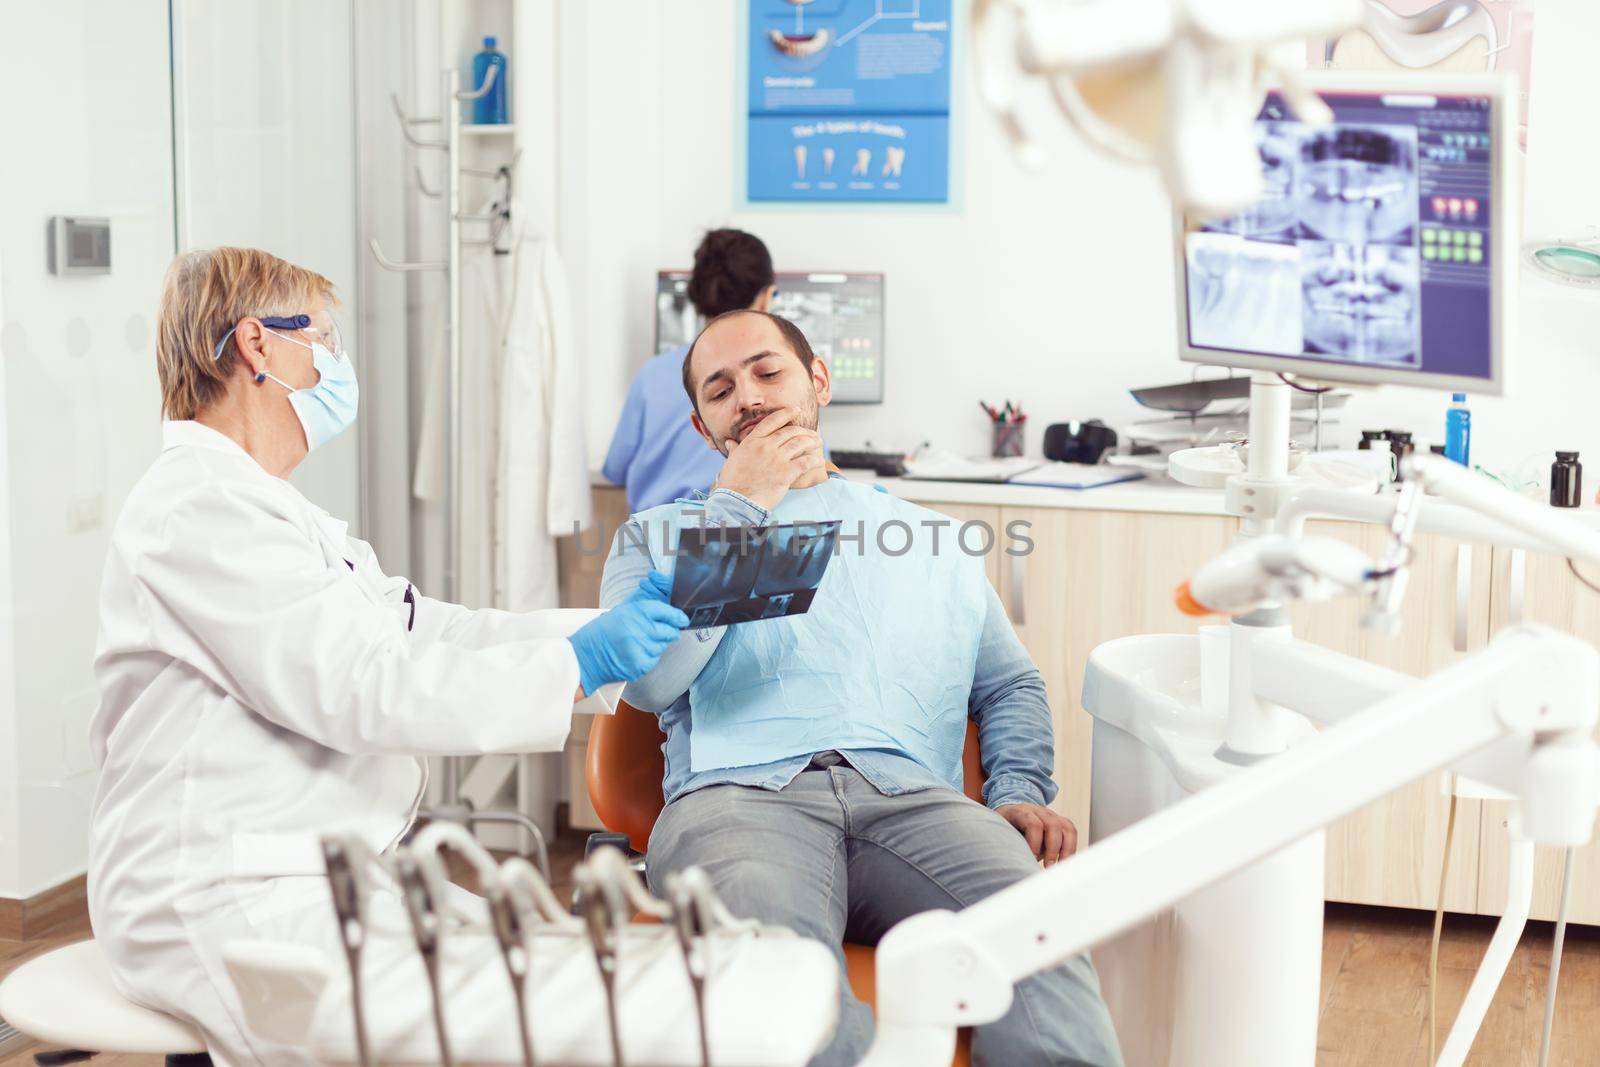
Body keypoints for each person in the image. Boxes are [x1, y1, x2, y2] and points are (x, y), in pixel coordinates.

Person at [88, 247, 687, 1065]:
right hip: (220, 889)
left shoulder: (271, 510)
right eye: (325, 341)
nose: (338, 365)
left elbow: (423, 632)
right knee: (470, 1032)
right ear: (258, 346)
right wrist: (577, 663)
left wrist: (593, 636)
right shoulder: (197, 511)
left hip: (313, 868)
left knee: (552, 974)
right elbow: (361, 688)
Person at [599, 310, 1125, 1067]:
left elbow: (1009, 682)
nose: (746, 395)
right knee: (785, 991)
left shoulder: (932, 538)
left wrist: (1017, 786)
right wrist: (740, 514)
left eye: (767, 371)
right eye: (720, 389)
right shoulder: (659, 535)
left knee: (1037, 935)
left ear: (818, 380)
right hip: (737, 800)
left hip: (914, 800)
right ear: (701, 424)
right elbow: (648, 681)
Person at [602, 228, 777, 511]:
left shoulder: (652, 376)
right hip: (740, 539)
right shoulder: (780, 390)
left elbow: (616, 469)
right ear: (766, 297)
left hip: (655, 541)